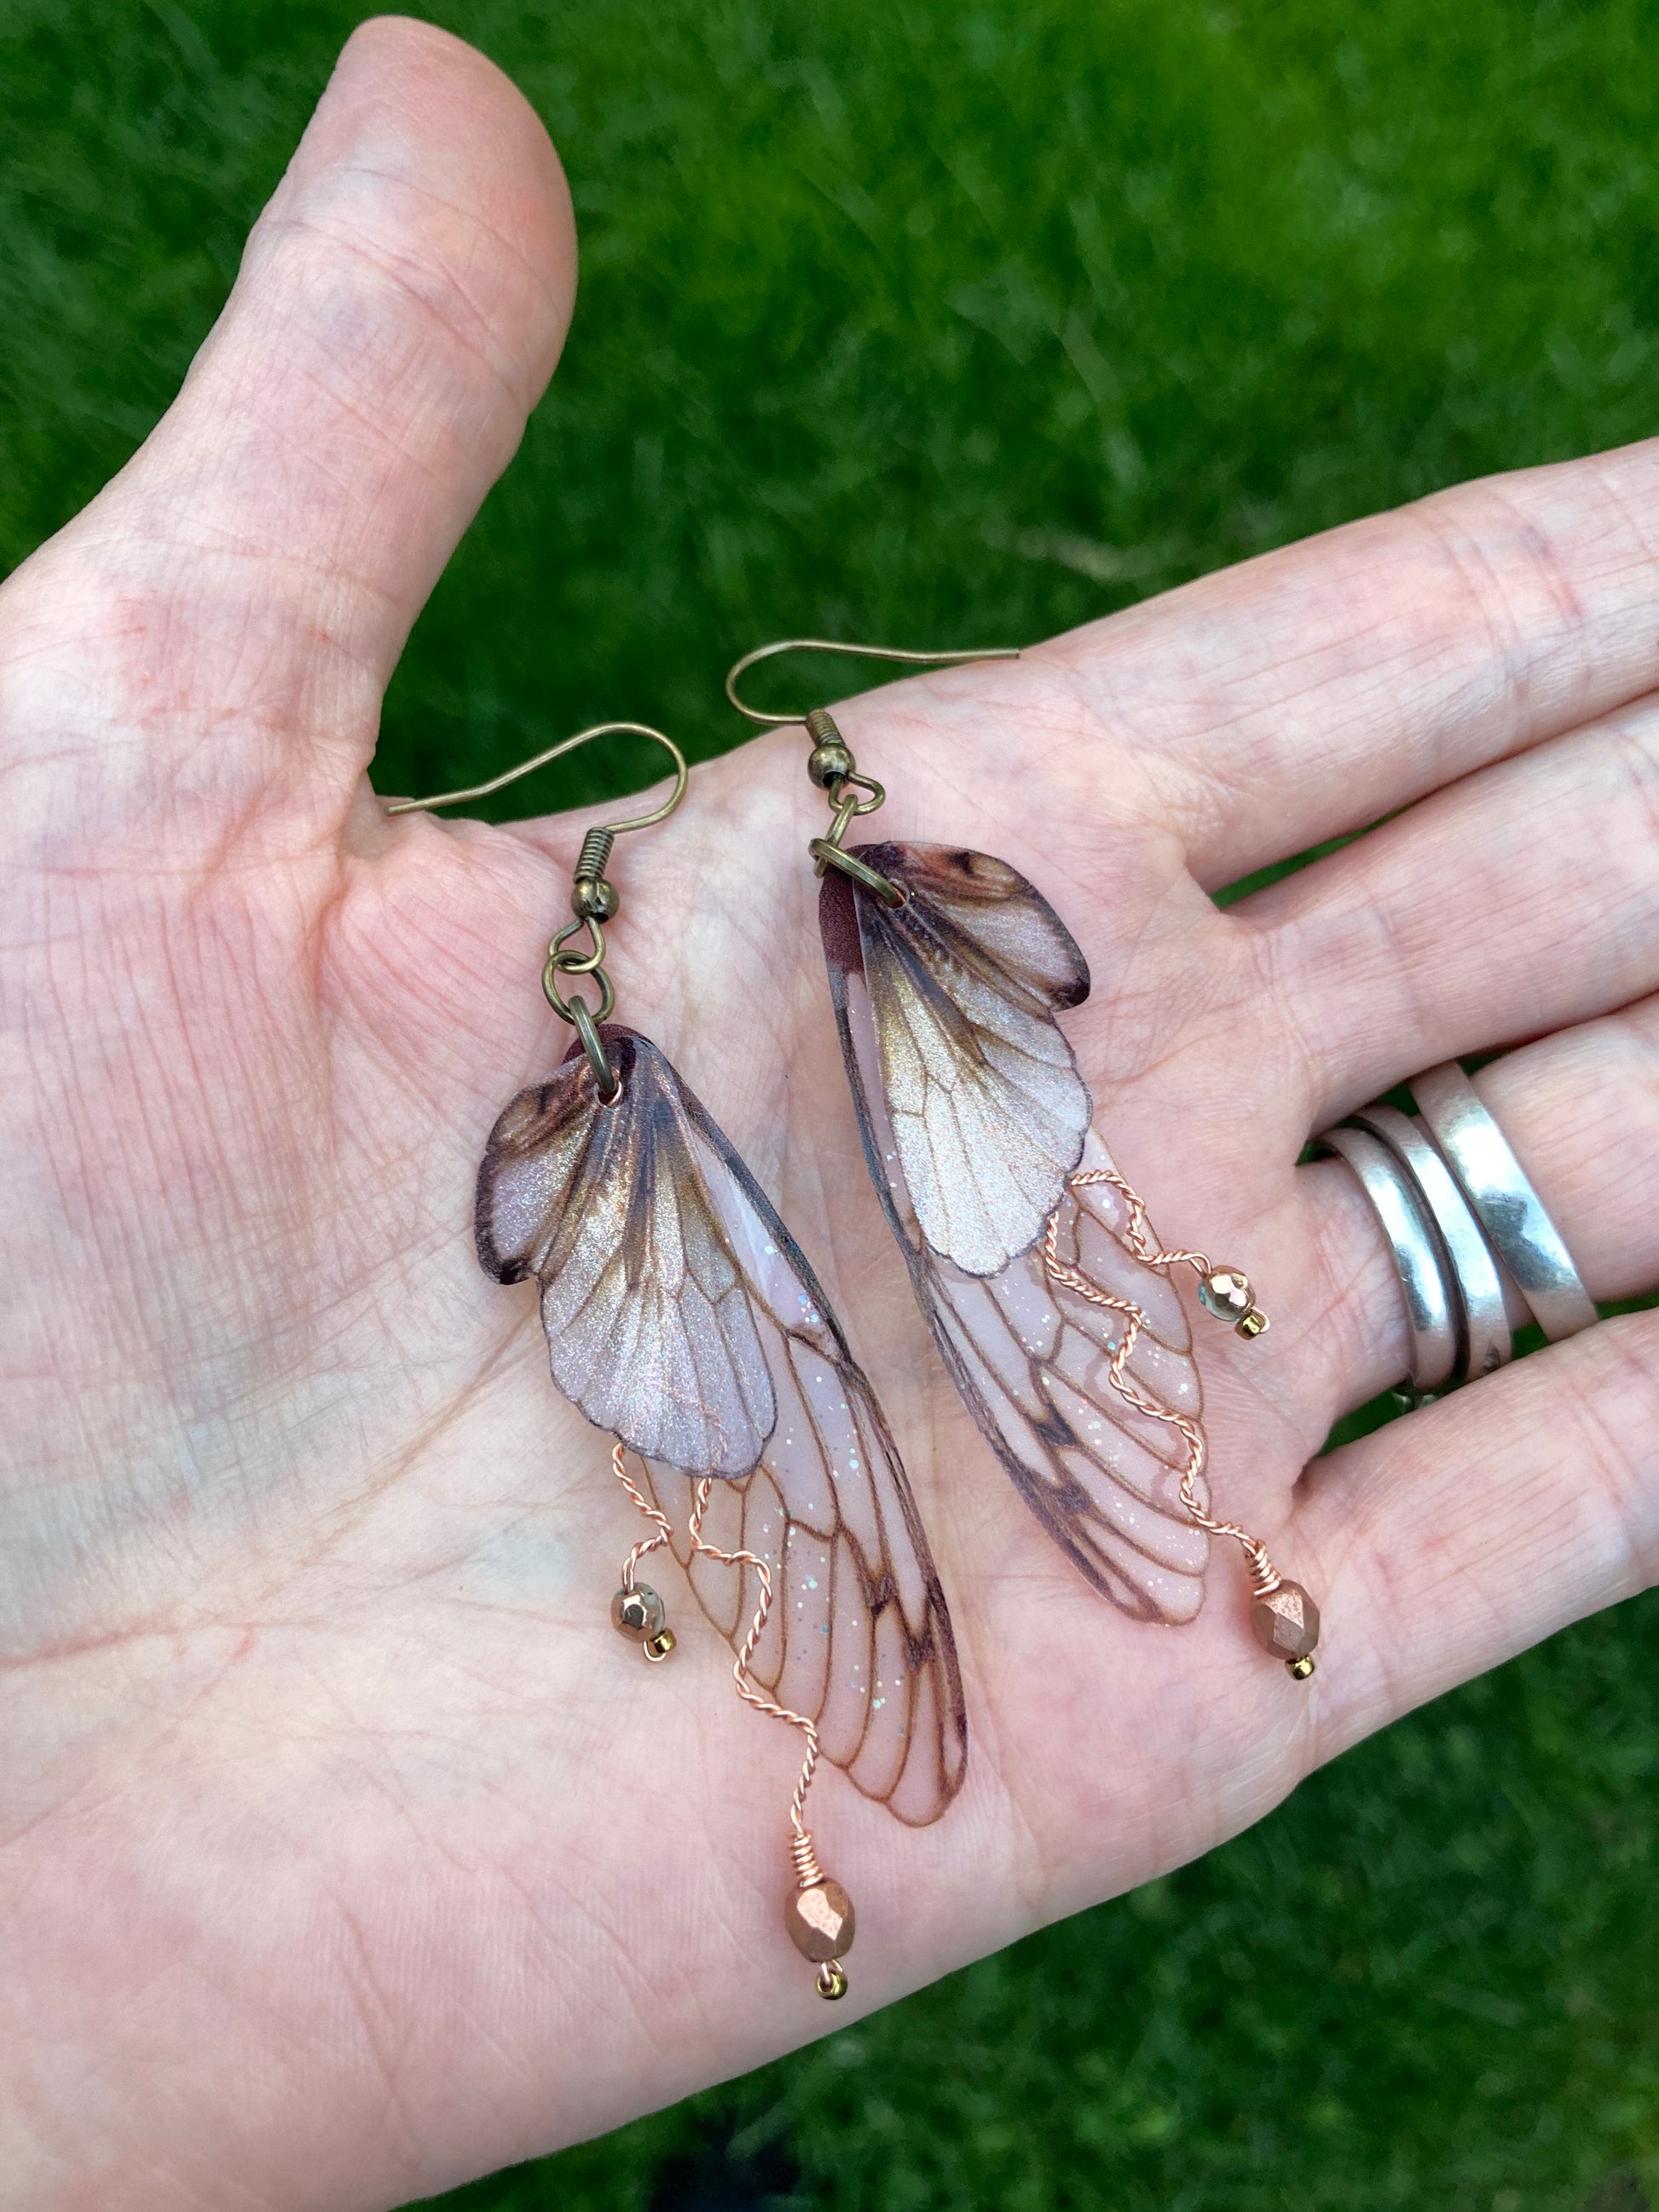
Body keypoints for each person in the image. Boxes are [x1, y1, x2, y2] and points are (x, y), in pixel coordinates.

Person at [3, 17, 1656, 2207]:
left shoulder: (833, 984)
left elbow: (998, 1008)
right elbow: (657, 1174)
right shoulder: (694, 1082)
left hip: (877, 1132)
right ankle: (916, 1634)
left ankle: (1004, 1569)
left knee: (1016, 1251)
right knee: (899, 1341)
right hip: (724, 1214)